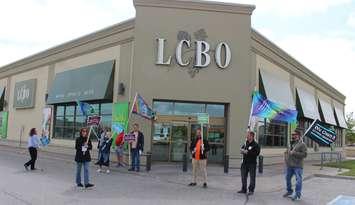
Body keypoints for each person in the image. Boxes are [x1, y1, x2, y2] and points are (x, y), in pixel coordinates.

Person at [283, 131, 307, 201]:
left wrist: (294, 153)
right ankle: (289, 191)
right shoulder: (290, 143)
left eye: (295, 135)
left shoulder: (302, 144)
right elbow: (288, 152)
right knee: (287, 178)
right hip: (290, 165)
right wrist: (286, 156)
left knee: (298, 180)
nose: (293, 136)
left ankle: (297, 193)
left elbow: (305, 155)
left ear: (299, 136)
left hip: (298, 166)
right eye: (292, 135)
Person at [237, 131, 260, 195]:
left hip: (252, 164)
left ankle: (251, 190)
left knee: (252, 177)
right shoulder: (245, 143)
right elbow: (242, 149)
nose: (247, 136)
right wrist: (242, 150)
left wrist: (248, 152)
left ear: (252, 136)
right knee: (243, 176)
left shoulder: (256, 145)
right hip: (244, 163)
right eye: (247, 135)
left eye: (248, 135)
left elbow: (257, 153)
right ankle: (243, 189)